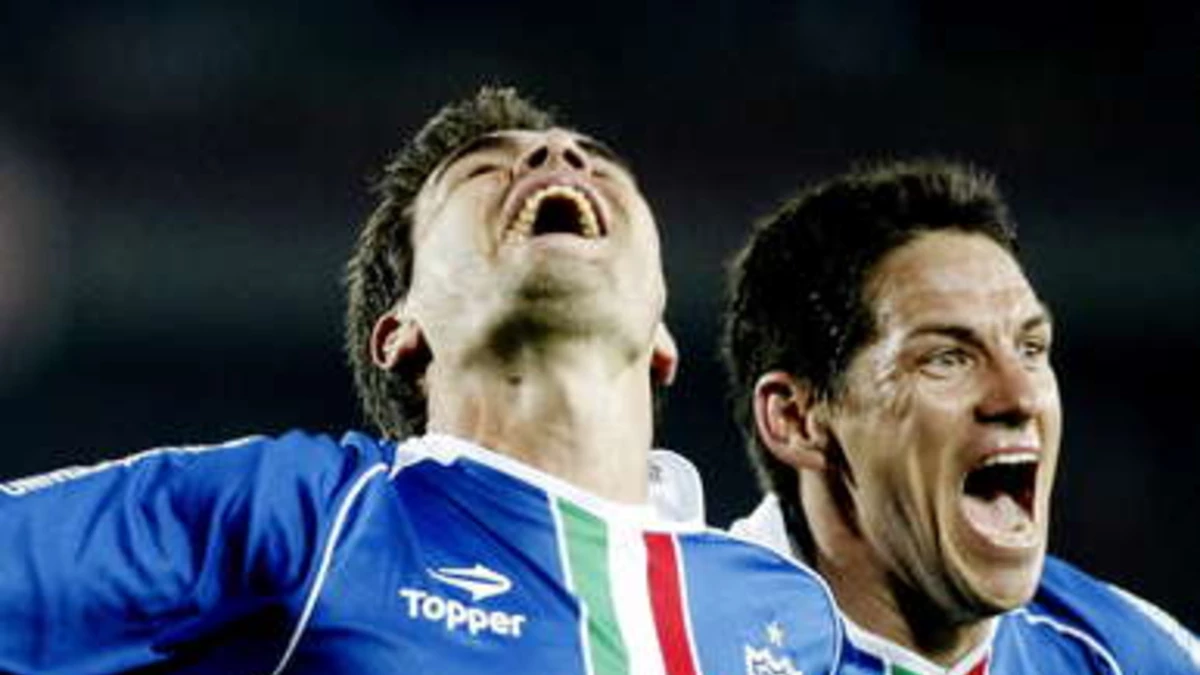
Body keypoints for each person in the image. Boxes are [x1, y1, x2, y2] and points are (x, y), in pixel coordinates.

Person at [0, 87, 842, 674]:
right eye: (482, 171)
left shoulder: (792, 615)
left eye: (598, 161)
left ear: (662, 336)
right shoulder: (315, 516)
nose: (558, 155)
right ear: (400, 328)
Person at [722, 159, 1199, 673]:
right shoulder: (684, 642)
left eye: (1031, 349)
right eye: (947, 358)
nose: (1019, 398)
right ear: (796, 420)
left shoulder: (1135, 656)